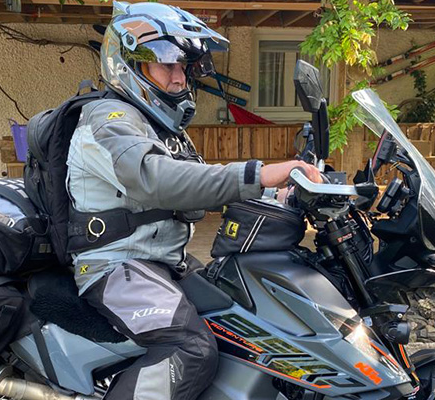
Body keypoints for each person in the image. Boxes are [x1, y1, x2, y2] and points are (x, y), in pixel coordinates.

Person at [66, 2, 322, 399]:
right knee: (192, 349)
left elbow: (199, 182)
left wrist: (281, 192)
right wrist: (261, 172)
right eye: (167, 65)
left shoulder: (161, 128)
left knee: (241, 317)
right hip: (114, 266)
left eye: (183, 67)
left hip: (162, 263)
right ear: (130, 65)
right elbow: (157, 180)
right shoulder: (109, 119)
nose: (178, 78)